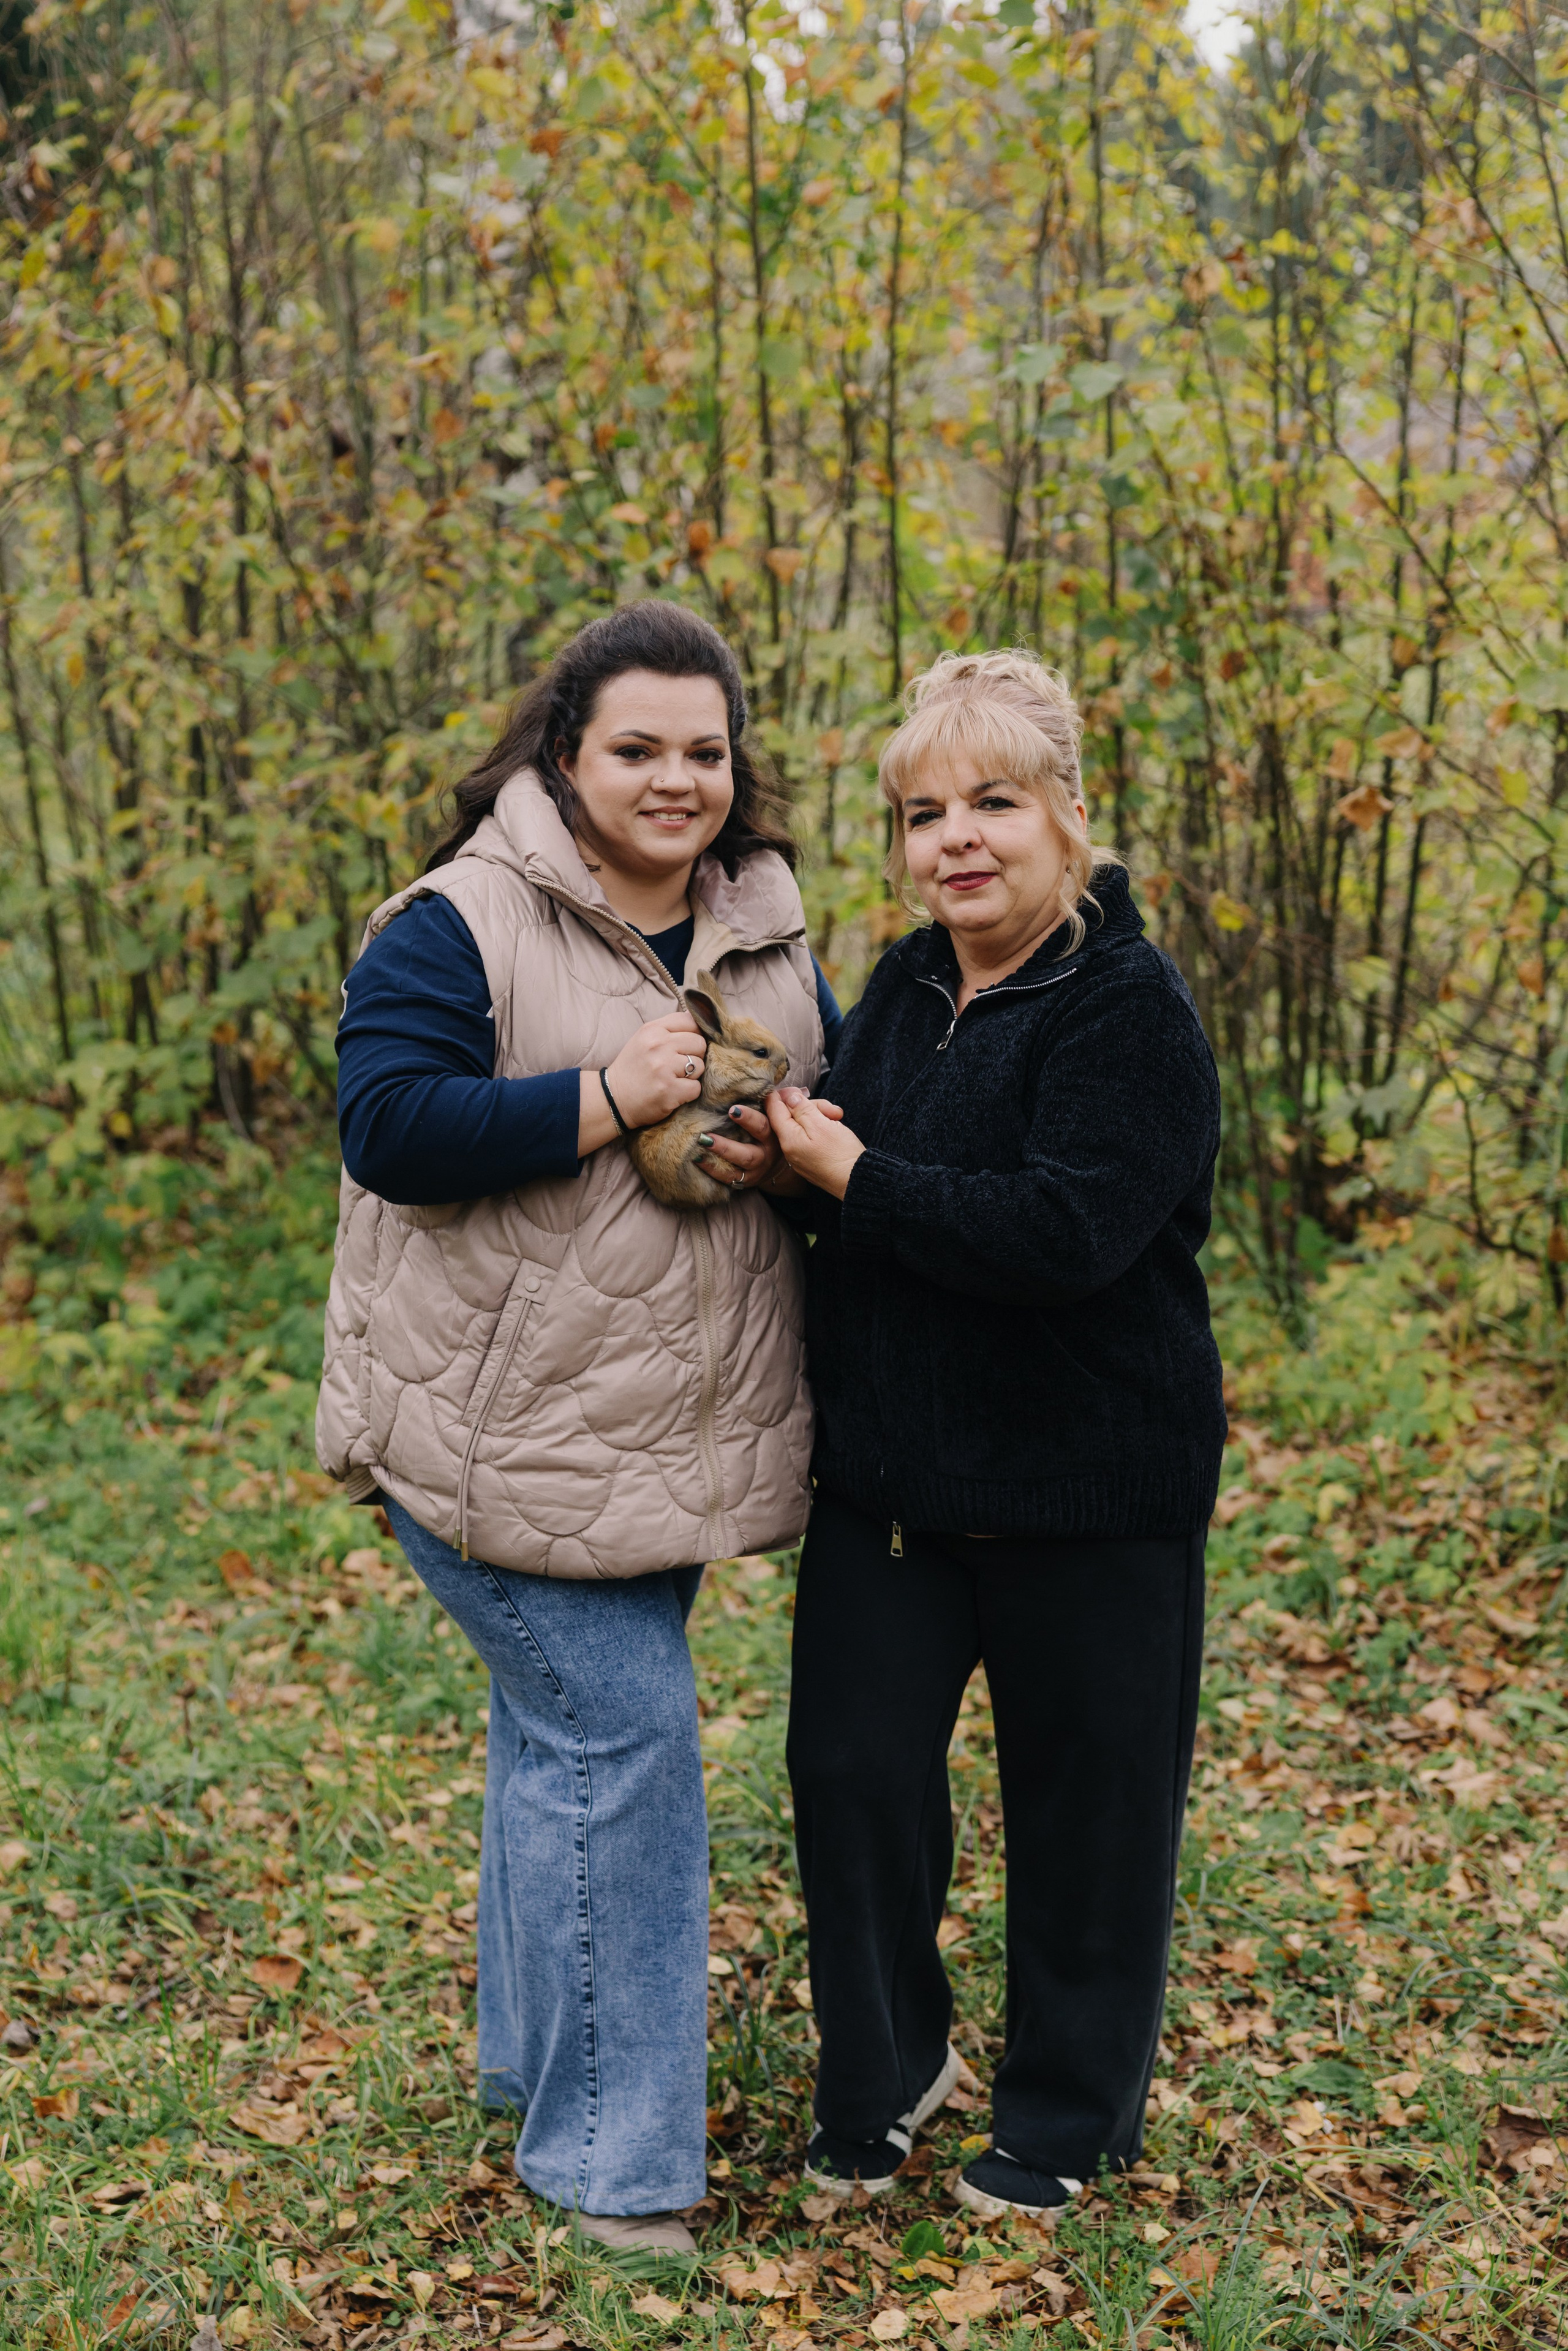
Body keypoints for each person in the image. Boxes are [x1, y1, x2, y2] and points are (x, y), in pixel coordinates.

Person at [315, 601, 840, 2252]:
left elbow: (819, 1116)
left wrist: (781, 1152)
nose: (677, 778)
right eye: (638, 747)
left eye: (706, 749)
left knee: (565, 1741)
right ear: (564, 751)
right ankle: (613, 2167)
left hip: (655, 1446)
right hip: (485, 1440)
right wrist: (604, 1097)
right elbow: (390, 1125)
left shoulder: (760, 924)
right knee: (626, 1739)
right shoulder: (460, 921)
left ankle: (532, 2058)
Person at [759, 649, 1226, 2222]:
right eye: (919, 813)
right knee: (849, 1775)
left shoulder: (1127, 1008)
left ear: (1069, 817)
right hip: (891, 1485)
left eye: (992, 802)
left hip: (1091, 1492)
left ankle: (1063, 2115)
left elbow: (1063, 1234)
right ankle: (891, 2064)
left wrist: (850, 1181)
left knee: (1088, 1816)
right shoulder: (897, 985)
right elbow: (833, 1154)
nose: (954, 838)